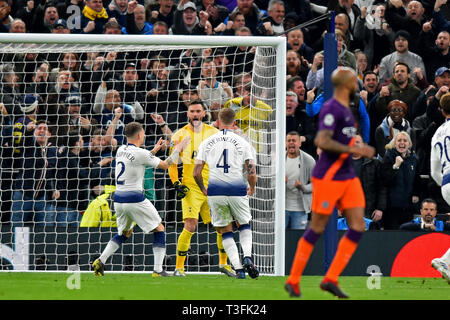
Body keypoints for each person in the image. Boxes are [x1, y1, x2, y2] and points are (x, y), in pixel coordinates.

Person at [285, 67, 375, 299]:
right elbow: (322, 141)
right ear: (346, 85)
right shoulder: (331, 108)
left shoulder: (347, 109)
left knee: (358, 225)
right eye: (355, 81)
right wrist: (353, 148)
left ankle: (330, 279)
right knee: (317, 228)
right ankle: (293, 280)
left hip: (347, 175)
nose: (358, 84)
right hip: (328, 176)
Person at [92, 122, 190, 277]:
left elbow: (137, 159)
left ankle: (100, 261)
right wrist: (178, 149)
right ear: (139, 135)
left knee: (124, 234)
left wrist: (153, 151)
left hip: (118, 200)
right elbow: (165, 164)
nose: (144, 135)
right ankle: (158, 270)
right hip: (134, 198)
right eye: (143, 133)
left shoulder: (120, 150)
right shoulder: (141, 153)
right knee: (159, 229)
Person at [169, 100, 234, 277]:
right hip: (191, 186)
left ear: (204, 113)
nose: (195, 114)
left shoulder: (214, 133)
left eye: (198, 111)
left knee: (222, 226)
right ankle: (179, 267)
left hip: (213, 185)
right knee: (190, 225)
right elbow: (172, 164)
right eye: (192, 111)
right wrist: (176, 183)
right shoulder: (179, 135)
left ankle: (223, 264)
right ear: (188, 114)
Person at [193, 107, 259, 279]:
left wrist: (202, 188)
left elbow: (196, 172)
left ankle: (238, 269)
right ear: (235, 122)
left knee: (225, 230)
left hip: (215, 191)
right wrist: (252, 187)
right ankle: (247, 257)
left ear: (217, 122)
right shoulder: (244, 143)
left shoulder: (207, 142)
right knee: (244, 224)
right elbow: (251, 172)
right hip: (237, 189)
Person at [11, 121, 59, 227]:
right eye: (39, 128)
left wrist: (54, 188)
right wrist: (28, 130)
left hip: (42, 199)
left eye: (44, 129)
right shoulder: (29, 146)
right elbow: (25, 140)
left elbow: (52, 173)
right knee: (17, 228)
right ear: (34, 133)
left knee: (43, 231)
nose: (41, 130)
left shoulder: (53, 151)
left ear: (50, 134)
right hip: (23, 196)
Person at [379, 131, 420, 229]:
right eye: (399, 140)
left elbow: (417, 179)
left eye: (405, 141)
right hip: (391, 208)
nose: (402, 143)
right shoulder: (388, 157)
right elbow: (384, 181)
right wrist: (395, 166)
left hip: (408, 207)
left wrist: (416, 193)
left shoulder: (414, 159)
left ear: (409, 144)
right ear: (394, 143)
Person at [285, 131, 315, 230]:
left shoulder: (309, 160)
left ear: (300, 143)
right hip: (281, 209)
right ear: (285, 143)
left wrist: (302, 187)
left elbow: (315, 184)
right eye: (289, 140)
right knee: (278, 239)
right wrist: (281, 184)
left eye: (294, 140)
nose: (291, 143)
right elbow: (270, 183)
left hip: (300, 209)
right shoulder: (278, 159)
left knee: (297, 240)